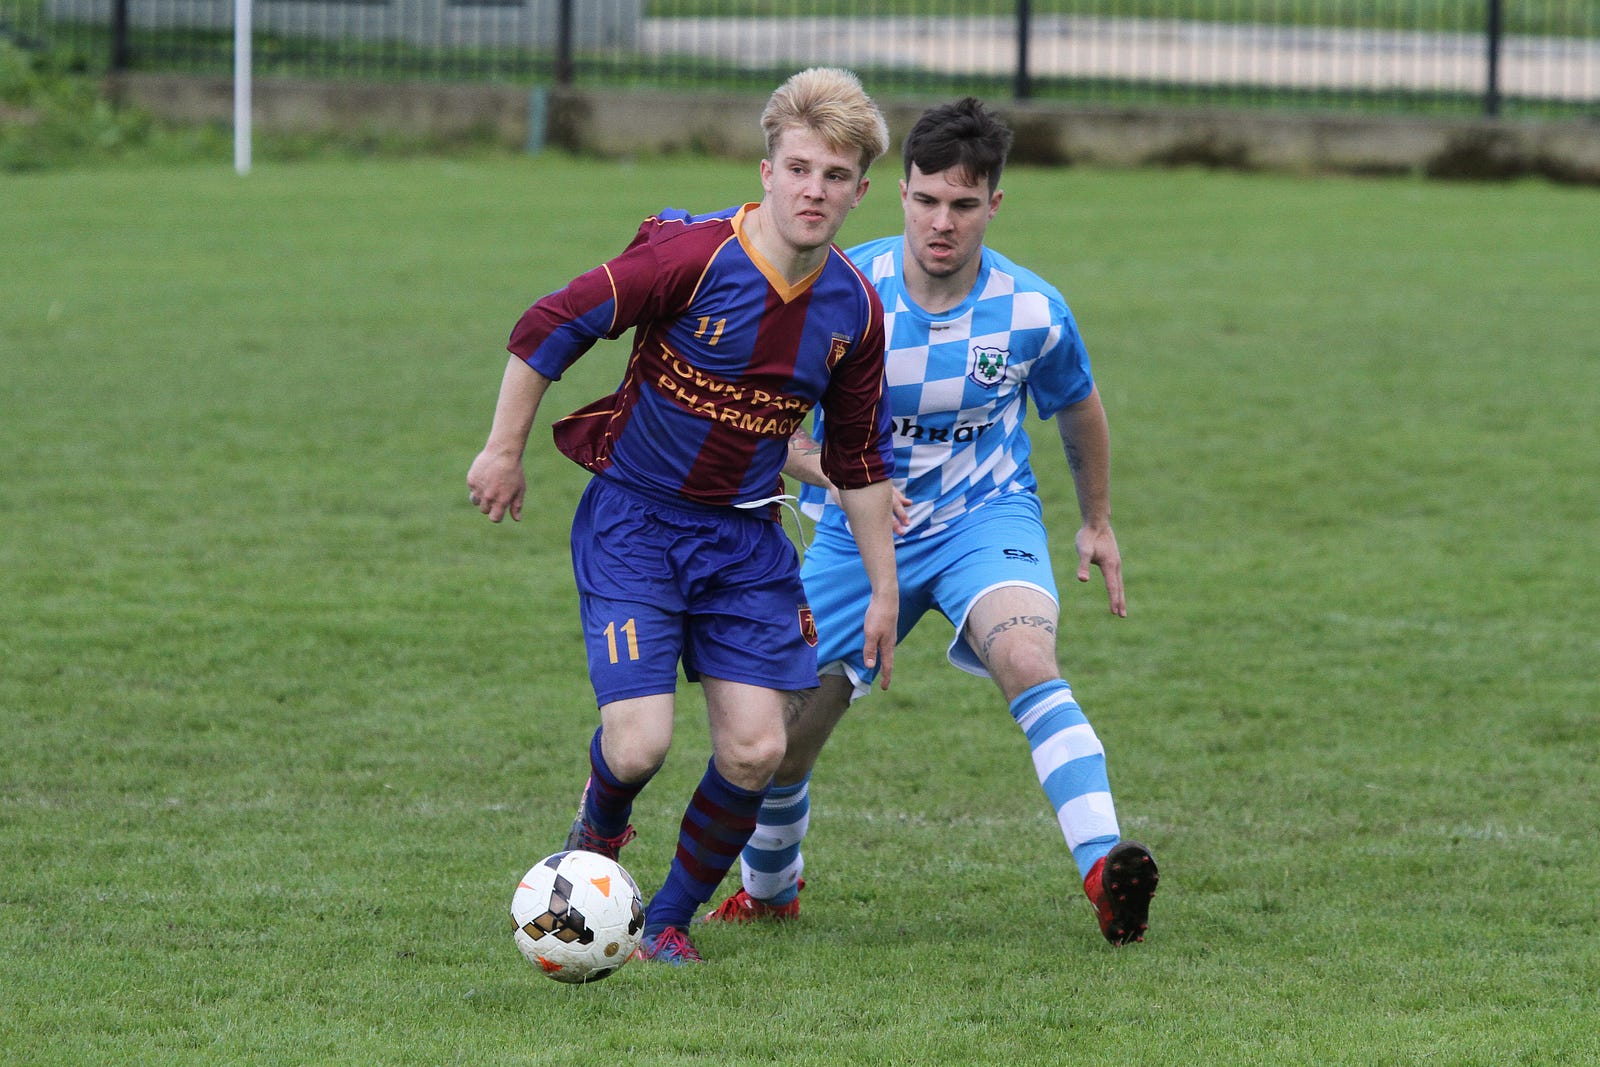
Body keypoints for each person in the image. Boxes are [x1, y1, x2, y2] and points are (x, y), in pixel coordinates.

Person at [466, 67, 901, 966]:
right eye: (799, 168)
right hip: (636, 521)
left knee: (756, 748)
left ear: (860, 191)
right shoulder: (692, 257)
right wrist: (503, 450)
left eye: (835, 176)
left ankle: (665, 919)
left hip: (745, 541)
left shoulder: (855, 310)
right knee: (639, 747)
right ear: (767, 171)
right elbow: (551, 323)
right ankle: (598, 831)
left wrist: (885, 591)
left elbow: (859, 459)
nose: (814, 190)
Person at [701, 97, 1159, 945]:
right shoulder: (840, 291)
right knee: (781, 739)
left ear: (994, 204)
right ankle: (769, 891)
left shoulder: (1031, 311)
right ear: (899, 194)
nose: (941, 222)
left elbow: (1078, 406)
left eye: (963, 204)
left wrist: (1096, 519)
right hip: (852, 536)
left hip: (985, 519)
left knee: (1028, 655)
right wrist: (845, 477)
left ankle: (1106, 869)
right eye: (926, 200)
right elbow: (771, 427)